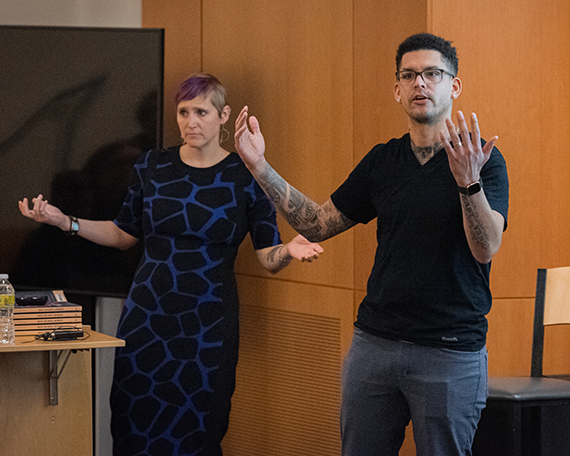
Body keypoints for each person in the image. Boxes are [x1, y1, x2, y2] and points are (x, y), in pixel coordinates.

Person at [19, 72, 323, 456]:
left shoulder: (246, 177)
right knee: (133, 426)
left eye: (201, 111)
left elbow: (267, 256)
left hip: (207, 328)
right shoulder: (152, 166)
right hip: (148, 319)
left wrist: (289, 251)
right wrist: (67, 222)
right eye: (183, 112)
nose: (191, 121)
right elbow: (122, 234)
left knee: (200, 432)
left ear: (223, 115)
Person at [234, 33, 509, 456]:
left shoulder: (482, 158)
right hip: (374, 346)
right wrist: (259, 166)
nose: (420, 83)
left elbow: (485, 248)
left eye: (432, 73)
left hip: (449, 350)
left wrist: (468, 182)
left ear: (453, 85)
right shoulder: (383, 160)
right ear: (397, 90)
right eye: (409, 75)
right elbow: (316, 223)